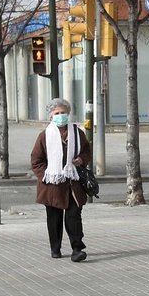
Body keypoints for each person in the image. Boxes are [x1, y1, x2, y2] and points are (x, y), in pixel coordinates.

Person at [30, 98, 91, 261]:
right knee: (54, 219)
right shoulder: (44, 136)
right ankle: (55, 249)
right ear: (51, 116)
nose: (61, 116)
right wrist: (46, 176)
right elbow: (36, 161)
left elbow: (87, 151)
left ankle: (77, 249)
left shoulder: (77, 133)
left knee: (74, 216)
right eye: (57, 113)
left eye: (63, 112)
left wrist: (81, 160)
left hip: (73, 183)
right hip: (52, 186)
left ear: (69, 113)